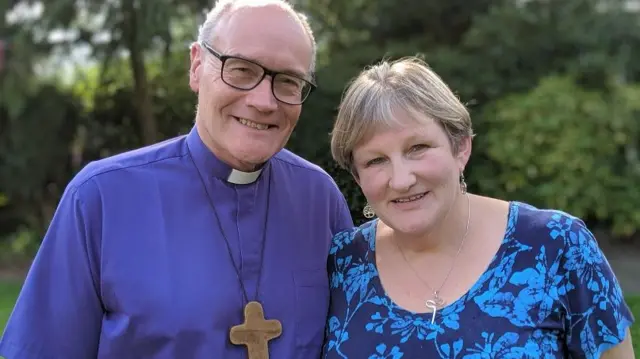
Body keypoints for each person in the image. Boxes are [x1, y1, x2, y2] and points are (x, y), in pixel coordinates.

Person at [0, 0, 353, 358]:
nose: (264, 101)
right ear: (197, 66)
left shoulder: (319, 200)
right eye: (242, 69)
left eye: (288, 81)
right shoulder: (101, 198)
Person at [322, 57, 635, 358]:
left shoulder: (557, 246)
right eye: (376, 160)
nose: (401, 180)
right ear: (357, 176)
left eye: (417, 148)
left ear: (461, 147)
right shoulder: (343, 262)